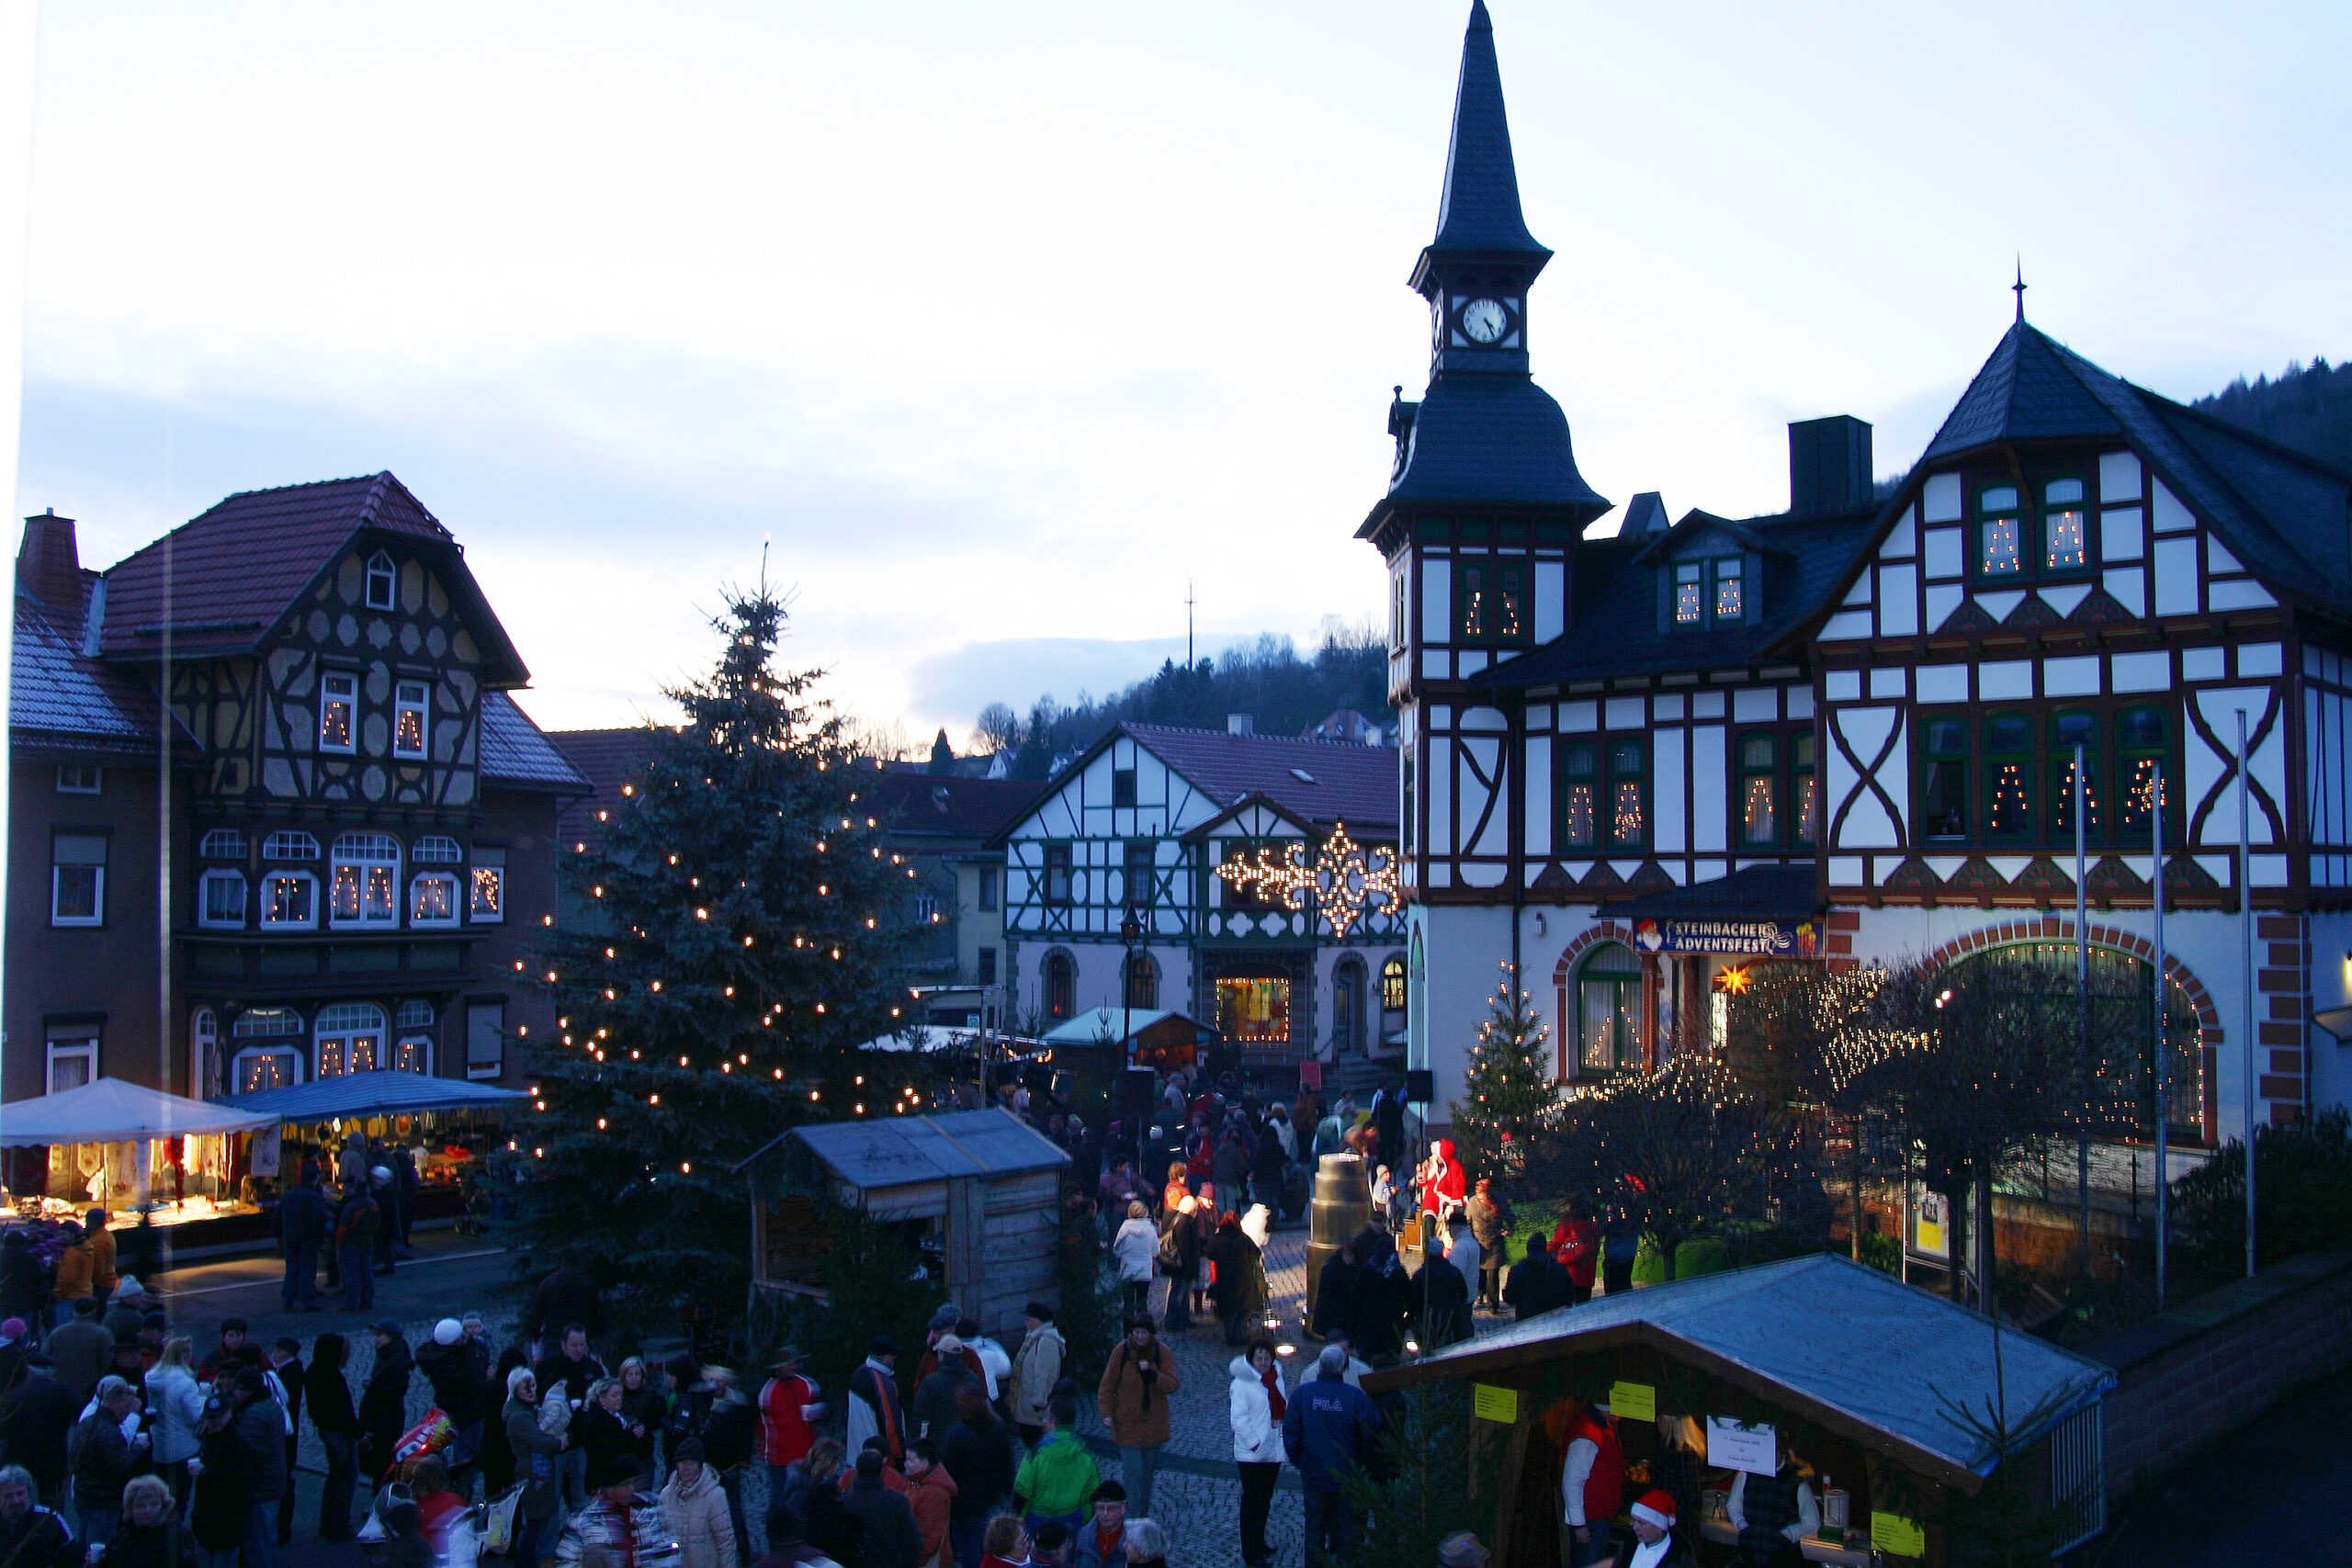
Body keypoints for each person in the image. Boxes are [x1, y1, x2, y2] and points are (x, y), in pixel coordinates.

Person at [1283, 1344, 1379, 1568]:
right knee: (1348, 1529)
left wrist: (1302, 1462)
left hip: (1314, 1474)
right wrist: (1360, 1466)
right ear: (1342, 1367)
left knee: (1315, 1528)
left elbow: (1291, 1434)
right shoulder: (1355, 1397)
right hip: (1347, 1476)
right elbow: (1370, 1435)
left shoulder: (1301, 1395)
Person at [1093, 1317, 1178, 1521]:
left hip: (1152, 1425)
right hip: (1127, 1424)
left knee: (1146, 1476)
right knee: (1133, 1474)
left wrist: (1154, 1375)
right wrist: (1106, 1413)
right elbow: (1108, 1385)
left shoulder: (1162, 1352)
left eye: (1144, 1333)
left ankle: (1142, 1515)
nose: (1140, 1337)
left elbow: (1172, 1384)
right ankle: (1132, 1520)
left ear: (1151, 1334)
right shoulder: (1121, 1352)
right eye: (1137, 1332)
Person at [553, 1454, 679, 1568]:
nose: (632, 1489)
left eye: (633, 1483)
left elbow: (668, 1552)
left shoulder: (651, 1511)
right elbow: (564, 1561)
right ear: (611, 1488)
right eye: (625, 1484)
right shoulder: (584, 1520)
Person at [535, 1325, 607, 1513]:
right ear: (564, 1345)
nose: (578, 1349)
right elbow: (539, 1395)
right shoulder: (549, 1366)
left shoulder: (593, 1368)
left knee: (581, 1496)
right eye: (574, 1345)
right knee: (553, 1497)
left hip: (582, 1441)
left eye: (582, 1345)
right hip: (556, 1441)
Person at [1226, 1339, 1286, 1568]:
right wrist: (1255, 1444)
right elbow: (1238, 1420)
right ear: (1251, 1359)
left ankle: (1259, 1542)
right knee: (1252, 1503)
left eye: (1266, 1358)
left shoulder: (1276, 1376)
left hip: (1272, 1451)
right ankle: (1250, 1552)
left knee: (1264, 1500)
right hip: (1252, 1454)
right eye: (1259, 1359)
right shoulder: (1241, 1384)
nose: (1263, 1363)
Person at [71, 1377, 149, 1550]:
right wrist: (137, 1448)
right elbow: (120, 1467)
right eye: (127, 1406)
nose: (130, 1412)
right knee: (100, 1549)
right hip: (103, 1501)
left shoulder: (87, 1423)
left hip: (84, 1496)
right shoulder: (110, 1433)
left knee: (84, 1544)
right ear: (115, 1404)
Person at [943, 1385, 1015, 1568]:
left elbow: (949, 1472)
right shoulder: (998, 1428)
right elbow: (1007, 1463)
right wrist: (1006, 1490)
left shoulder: (956, 1434)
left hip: (965, 1505)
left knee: (971, 1552)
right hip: (992, 1499)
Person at [1011, 1393, 1095, 1541]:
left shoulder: (1036, 1453)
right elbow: (1092, 1493)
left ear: (1053, 1422)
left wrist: (1021, 1518)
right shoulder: (1085, 1454)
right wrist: (1083, 1517)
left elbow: (1022, 1491)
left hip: (1038, 1520)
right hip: (1073, 1519)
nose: (1042, 1422)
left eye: (1045, 1418)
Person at [505, 1367, 566, 1568]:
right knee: (535, 1523)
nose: (532, 1390)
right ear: (516, 1390)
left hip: (535, 1470)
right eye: (526, 1387)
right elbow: (541, 1442)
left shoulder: (525, 1410)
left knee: (537, 1522)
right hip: (533, 1473)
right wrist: (559, 1443)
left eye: (532, 1385)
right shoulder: (520, 1417)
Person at [229, 1367, 287, 1568]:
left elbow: (249, 1455)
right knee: (268, 1539)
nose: (235, 1393)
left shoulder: (253, 1414)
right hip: (274, 1483)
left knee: (258, 1542)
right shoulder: (271, 1404)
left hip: (260, 1488)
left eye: (239, 1389)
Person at [0, 1357, 74, 1510]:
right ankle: (52, 1526)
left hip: (21, 1454)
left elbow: (5, 1426)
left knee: (20, 1495)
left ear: (28, 1371)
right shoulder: (63, 1392)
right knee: (51, 1498)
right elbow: (81, 1416)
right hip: (53, 1455)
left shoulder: (17, 1394)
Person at [1726, 1442, 1817, 1566]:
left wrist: (1788, 1534)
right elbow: (1733, 1505)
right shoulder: (1746, 1475)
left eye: (1774, 1450)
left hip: (1783, 1558)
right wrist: (1742, 1525)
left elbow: (1812, 1521)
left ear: (1783, 1452)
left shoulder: (1797, 1482)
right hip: (1750, 1554)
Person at [1562, 1397, 1626, 1568]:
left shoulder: (1604, 1426)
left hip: (1600, 1515)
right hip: (1591, 1517)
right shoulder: (1587, 1433)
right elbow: (1572, 1481)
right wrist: (1579, 1524)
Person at [307, 1334, 359, 1543]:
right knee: (346, 1478)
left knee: (335, 1478)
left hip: (327, 1430)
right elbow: (343, 1411)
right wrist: (359, 1432)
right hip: (339, 1433)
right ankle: (338, 1525)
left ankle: (328, 1523)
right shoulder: (332, 1377)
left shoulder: (313, 1371)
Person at [143, 1337, 206, 1511]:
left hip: (159, 1447)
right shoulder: (186, 1384)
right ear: (185, 1356)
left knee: (162, 1497)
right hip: (182, 1449)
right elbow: (196, 1416)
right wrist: (203, 1398)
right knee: (179, 1500)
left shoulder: (150, 1378)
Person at [189, 1395, 252, 1568]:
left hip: (228, 1520)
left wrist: (205, 1473)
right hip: (211, 1519)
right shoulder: (209, 1437)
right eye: (210, 1417)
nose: (214, 1421)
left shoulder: (239, 1443)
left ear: (229, 1414)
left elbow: (241, 1482)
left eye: (218, 1417)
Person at [759, 1348, 824, 1503]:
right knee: (780, 1499)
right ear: (778, 1366)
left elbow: (824, 1412)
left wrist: (819, 1411)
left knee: (809, 1497)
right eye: (790, 1364)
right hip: (779, 1458)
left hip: (806, 1453)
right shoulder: (765, 1390)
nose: (794, 1367)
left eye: (795, 1363)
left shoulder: (808, 1385)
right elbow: (757, 1424)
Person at [662, 1438, 740, 1568]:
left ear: (700, 1465)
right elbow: (660, 1539)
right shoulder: (666, 1495)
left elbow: (725, 1542)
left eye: (690, 1463)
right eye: (681, 1462)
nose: (685, 1468)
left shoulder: (715, 1495)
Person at [838, 1450, 920, 1568]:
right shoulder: (898, 1501)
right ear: (881, 1470)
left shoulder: (844, 1502)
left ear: (857, 1471)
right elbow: (912, 1540)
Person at [359, 1320, 413, 1493]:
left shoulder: (395, 1359)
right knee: (378, 1461)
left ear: (391, 1337)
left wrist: (373, 1387)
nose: (376, 1340)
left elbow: (398, 1389)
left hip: (387, 1418)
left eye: (380, 1335)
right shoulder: (385, 1354)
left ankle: (381, 1498)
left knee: (382, 1460)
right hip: (380, 1415)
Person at [95, 1473, 188, 1568]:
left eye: (154, 1504)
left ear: (163, 1505)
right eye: (140, 1506)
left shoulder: (177, 1537)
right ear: (130, 1509)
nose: (148, 1511)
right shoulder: (123, 1537)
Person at [264, 1339, 306, 1541]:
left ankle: (282, 1527)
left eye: (279, 1350)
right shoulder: (285, 1371)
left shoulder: (290, 1374)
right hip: (286, 1435)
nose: (275, 1353)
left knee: (285, 1481)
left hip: (285, 1436)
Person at [0, 1462, 76, 1568]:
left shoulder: (49, 1519)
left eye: (20, 1494)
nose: (16, 1500)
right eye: (9, 1496)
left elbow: (72, 1559)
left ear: (29, 1493)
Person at [1206, 1213, 1266, 1348]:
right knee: (1243, 1310)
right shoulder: (1242, 1239)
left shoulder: (1217, 1238)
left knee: (1227, 1311)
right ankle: (1240, 1335)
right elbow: (1256, 1253)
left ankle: (1230, 1336)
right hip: (1243, 1279)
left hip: (1223, 1279)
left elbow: (1209, 1253)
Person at [843, 1338, 905, 1466]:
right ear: (886, 1357)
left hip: (856, 1454)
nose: (895, 1358)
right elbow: (890, 1423)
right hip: (877, 1457)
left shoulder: (859, 1374)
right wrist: (900, 1454)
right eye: (893, 1355)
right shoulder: (881, 1383)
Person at [1010, 1306, 1064, 1449]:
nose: (1025, 1323)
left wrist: (1038, 1402)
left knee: (1036, 1445)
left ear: (1040, 1321)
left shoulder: (1047, 1341)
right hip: (1027, 1406)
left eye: (1029, 1319)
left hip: (1034, 1410)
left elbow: (1045, 1375)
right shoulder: (1033, 1337)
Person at [276, 1169, 328, 1313]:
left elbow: (277, 1217)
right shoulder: (314, 1197)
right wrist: (319, 1237)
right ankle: (307, 1301)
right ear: (313, 1180)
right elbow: (319, 1219)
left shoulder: (289, 1195)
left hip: (290, 1238)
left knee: (291, 1269)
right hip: (307, 1239)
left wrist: (281, 1234)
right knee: (307, 1270)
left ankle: (288, 1301)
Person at [899, 1439, 956, 1568]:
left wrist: (914, 1562)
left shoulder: (934, 1494)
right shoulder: (916, 1481)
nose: (905, 1464)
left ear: (924, 1462)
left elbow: (930, 1540)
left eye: (910, 1460)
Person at [582, 1378, 641, 1494]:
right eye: (614, 1395)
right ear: (602, 1399)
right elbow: (607, 1448)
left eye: (620, 1394)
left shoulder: (617, 1416)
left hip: (618, 1477)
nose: (619, 1399)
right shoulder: (597, 1420)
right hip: (605, 1481)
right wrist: (631, 1435)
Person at [46, 1300, 110, 1404]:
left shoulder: (57, 1332)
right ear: (94, 1312)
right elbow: (108, 1362)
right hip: (89, 1388)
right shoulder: (102, 1334)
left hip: (60, 1387)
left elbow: (45, 1356)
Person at [1609, 1488, 1691, 1568]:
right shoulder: (1629, 1545)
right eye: (1634, 1520)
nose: (1635, 1527)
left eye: (1642, 1523)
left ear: (1660, 1527)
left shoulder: (1678, 1557)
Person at [1464, 1179, 1512, 1310]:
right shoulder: (1473, 1203)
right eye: (1478, 1195)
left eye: (1482, 1195)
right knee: (1479, 1271)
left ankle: (1493, 1304)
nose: (1480, 1198)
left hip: (1495, 1242)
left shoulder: (1499, 1202)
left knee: (1493, 1274)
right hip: (1478, 1242)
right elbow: (1468, 1221)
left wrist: (1507, 1229)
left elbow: (1510, 1218)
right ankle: (1479, 1294)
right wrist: (1470, 1239)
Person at [334, 1184, 379, 1310]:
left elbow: (343, 1228)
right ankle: (367, 1300)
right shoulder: (373, 1204)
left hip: (351, 1243)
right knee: (366, 1273)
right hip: (367, 1241)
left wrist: (340, 1242)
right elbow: (377, 1223)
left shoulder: (351, 1207)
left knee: (352, 1275)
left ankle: (351, 1302)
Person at [1109, 1204, 1156, 1321]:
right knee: (1142, 1303)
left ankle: (1128, 1332)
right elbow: (1156, 1251)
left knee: (1128, 1305)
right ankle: (1143, 1330)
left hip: (1128, 1272)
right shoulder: (1150, 1229)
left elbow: (1117, 1251)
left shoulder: (1125, 1228)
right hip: (1145, 1272)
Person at [1503, 1240, 1568, 1321]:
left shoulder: (1517, 1270)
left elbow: (1510, 1298)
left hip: (1526, 1319)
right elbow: (1569, 1296)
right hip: (1554, 1319)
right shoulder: (1559, 1269)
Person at [1067, 1483, 1125, 1568]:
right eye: (1100, 1508)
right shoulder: (1083, 1536)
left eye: (1111, 1508)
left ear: (1123, 1508)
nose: (1105, 1514)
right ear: (1094, 1508)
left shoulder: (1133, 1537)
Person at [1554, 1204, 1600, 1307]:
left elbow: (1554, 1245)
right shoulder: (1594, 1229)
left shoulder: (1567, 1226)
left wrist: (1559, 1258)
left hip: (1569, 1274)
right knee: (1583, 1306)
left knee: (1565, 1307)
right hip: (1586, 1276)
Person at [1600, 1203, 1640, 1299]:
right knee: (1624, 1281)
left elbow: (1603, 1230)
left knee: (1613, 1285)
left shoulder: (1614, 1220)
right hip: (1628, 1254)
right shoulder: (1632, 1218)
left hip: (1615, 1255)